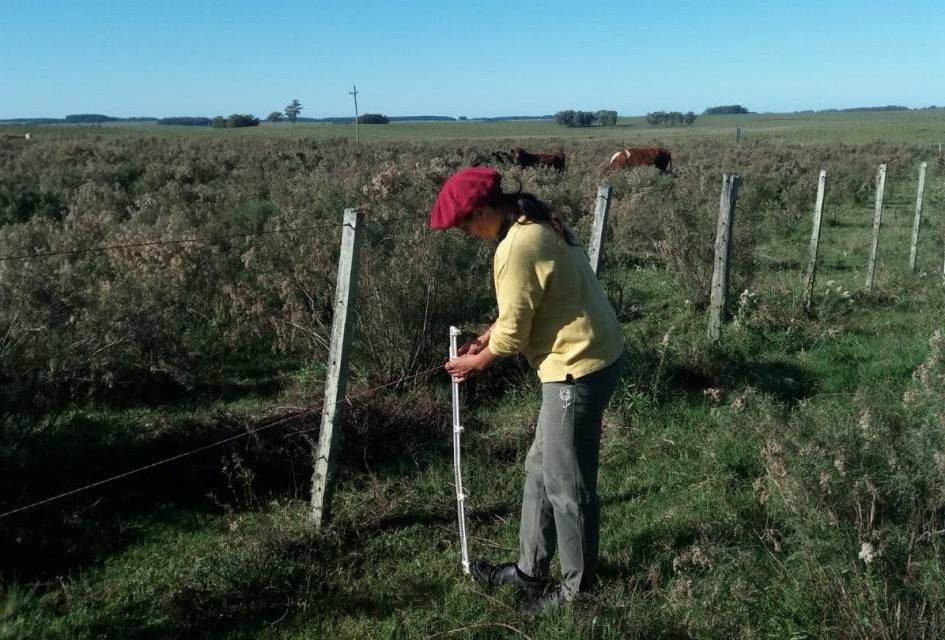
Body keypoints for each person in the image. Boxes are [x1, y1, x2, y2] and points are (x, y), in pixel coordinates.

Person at [429, 167, 625, 616]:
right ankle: (529, 569)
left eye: (464, 225)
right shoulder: (536, 222)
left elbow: (515, 335)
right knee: (540, 466)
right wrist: (485, 336)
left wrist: (474, 362)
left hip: (576, 370)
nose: (466, 234)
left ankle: (578, 593)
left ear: (481, 212)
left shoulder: (516, 246)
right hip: (590, 354)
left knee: (568, 488)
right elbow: (526, 305)